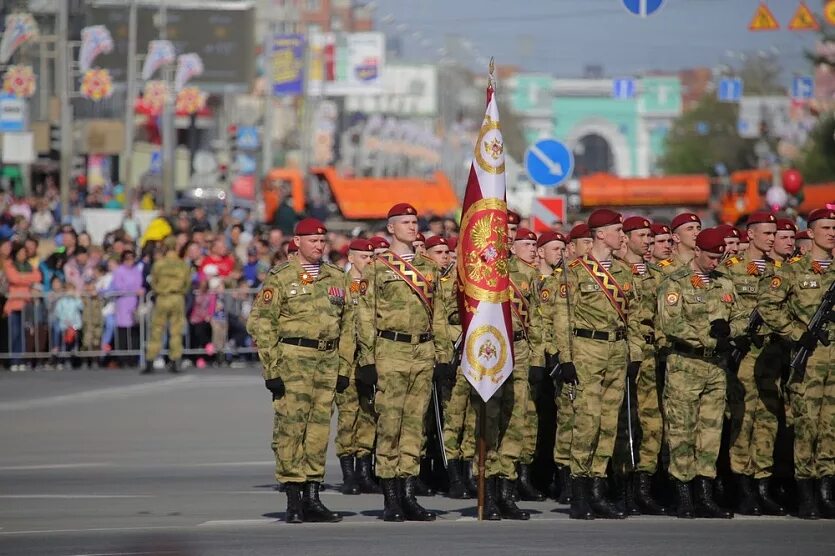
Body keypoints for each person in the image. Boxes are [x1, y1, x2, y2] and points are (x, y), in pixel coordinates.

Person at [247, 218, 352, 524]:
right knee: (291, 429)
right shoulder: (281, 277)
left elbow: (348, 325)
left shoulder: (336, 276)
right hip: (293, 360)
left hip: (327, 361)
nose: (319, 246)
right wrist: (272, 369)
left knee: (319, 432)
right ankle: (293, 498)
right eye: (313, 241)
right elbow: (261, 323)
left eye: (323, 241)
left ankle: (313, 496)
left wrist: (344, 366)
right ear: (297, 242)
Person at [553, 209, 642, 520]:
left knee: (608, 423)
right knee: (587, 423)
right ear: (600, 234)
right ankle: (578, 491)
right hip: (586, 349)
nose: (622, 236)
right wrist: (566, 359)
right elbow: (562, 318)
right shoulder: (574, 272)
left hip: (617, 350)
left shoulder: (625, 272)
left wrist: (636, 354)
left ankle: (597, 489)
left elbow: (635, 318)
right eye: (618, 230)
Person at [355, 203, 439, 522]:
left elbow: (440, 314)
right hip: (390, 349)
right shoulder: (377, 268)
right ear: (391, 228)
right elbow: (365, 315)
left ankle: (409, 493)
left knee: (415, 424)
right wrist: (366, 358)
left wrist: (441, 352)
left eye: (415, 222)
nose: (412, 227)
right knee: (390, 422)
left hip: (422, 350)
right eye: (405, 222)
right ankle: (390, 495)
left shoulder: (428, 268)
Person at [656, 227, 745, 519]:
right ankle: (683, 495)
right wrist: (709, 339)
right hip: (686, 365)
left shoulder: (724, 283)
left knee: (710, 431)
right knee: (682, 430)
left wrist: (730, 330)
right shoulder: (675, 282)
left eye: (719, 257)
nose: (715, 262)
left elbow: (742, 317)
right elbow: (671, 324)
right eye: (710, 257)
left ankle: (705, 494)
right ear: (696, 251)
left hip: (716, 368)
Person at [759, 208, 835, 520]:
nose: (832, 233)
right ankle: (806, 492)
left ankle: (827, 490)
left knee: (832, 427)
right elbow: (768, 304)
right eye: (826, 227)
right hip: (811, 358)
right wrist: (795, 333)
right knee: (807, 426)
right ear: (812, 231)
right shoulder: (792, 270)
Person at [720, 211, 786, 516]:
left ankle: (763, 485)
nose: (772, 238)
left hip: (771, 356)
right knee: (743, 419)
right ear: (751, 235)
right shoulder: (732, 269)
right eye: (767, 233)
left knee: (768, 421)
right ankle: (743, 487)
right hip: (744, 355)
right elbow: (720, 309)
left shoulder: (781, 270)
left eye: (775, 233)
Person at [615, 216, 667, 515]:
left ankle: (643, 486)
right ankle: (621, 484)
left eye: (650, 236)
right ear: (626, 238)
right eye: (642, 236)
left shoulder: (657, 274)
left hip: (650, 354)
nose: (648, 240)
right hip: (626, 354)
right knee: (624, 422)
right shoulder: (617, 272)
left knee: (651, 422)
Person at [428, 235, 476, 499]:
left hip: (470, 355)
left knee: (470, 418)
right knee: (450, 419)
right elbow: (435, 321)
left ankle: (468, 471)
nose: (445, 257)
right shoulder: (438, 284)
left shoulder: (467, 282)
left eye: (448, 252)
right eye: (440, 252)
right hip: (450, 355)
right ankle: (453, 475)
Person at [334, 238, 379, 495]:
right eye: (364, 257)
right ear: (351, 258)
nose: (369, 262)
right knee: (347, 417)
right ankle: (349, 473)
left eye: (372, 257)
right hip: (347, 363)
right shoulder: (339, 284)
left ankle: (364, 471)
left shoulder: (375, 285)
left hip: (370, 361)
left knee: (368, 415)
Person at [509, 227, 547, 504]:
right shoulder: (500, 273)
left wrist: (537, 359)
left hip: (523, 347)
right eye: (526, 244)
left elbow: (538, 321)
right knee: (501, 415)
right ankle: (501, 479)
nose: (532, 249)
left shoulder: (534, 276)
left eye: (534, 244)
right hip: (498, 348)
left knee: (524, 416)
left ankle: (521, 477)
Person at [535, 231, 573, 504]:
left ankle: (564, 480)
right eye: (555, 248)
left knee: (564, 420)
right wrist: (548, 354)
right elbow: (542, 322)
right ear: (541, 252)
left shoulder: (567, 279)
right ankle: (543, 474)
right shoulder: (536, 281)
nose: (560, 253)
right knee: (544, 420)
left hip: (567, 358)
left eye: (563, 248)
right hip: (545, 358)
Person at [143, 236, 192, 374]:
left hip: (162, 298)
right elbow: (187, 283)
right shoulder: (182, 264)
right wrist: (179, 291)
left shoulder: (159, 264)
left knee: (157, 329)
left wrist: (160, 290)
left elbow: (153, 281)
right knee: (176, 330)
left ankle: (150, 360)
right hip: (177, 297)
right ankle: (175, 360)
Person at [4, 243, 43, 371]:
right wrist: (26, 279)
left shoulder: (29, 266)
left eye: (24, 253)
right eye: (20, 253)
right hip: (14, 304)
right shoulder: (9, 264)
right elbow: (13, 278)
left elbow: (37, 277)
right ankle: (14, 360)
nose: (23, 255)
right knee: (14, 334)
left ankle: (21, 359)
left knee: (23, 334)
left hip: (26, 304)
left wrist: (22, 277)